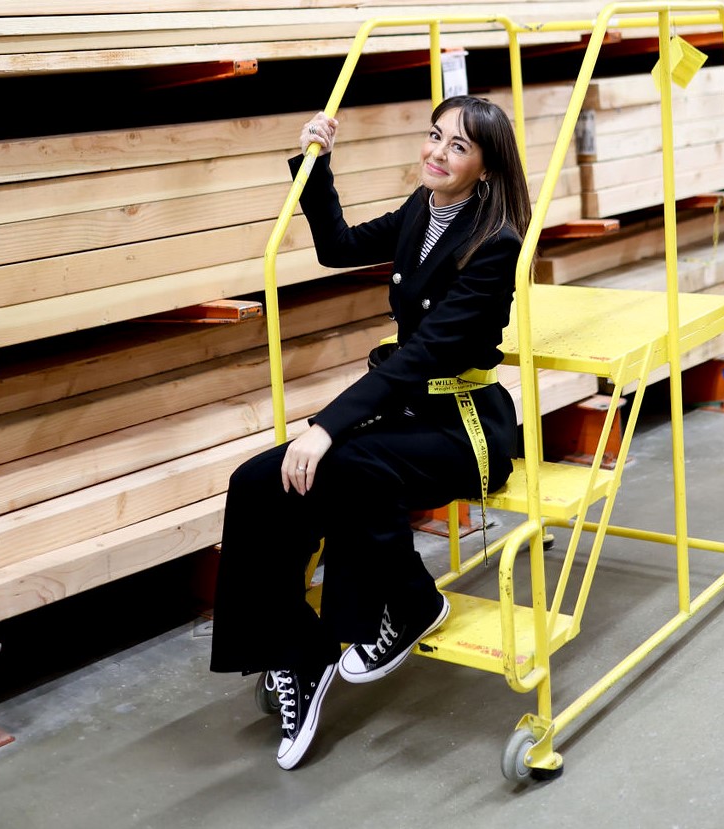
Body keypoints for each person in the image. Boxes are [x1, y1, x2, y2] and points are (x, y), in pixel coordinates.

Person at [209, 95, 531, 770]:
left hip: (463, 426)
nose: (436, 154)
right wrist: (315, 162)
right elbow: (338, 246)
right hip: (410, 413)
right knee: (257, 481)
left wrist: (326, 425)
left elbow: (423, 355)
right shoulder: (423, 209)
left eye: (457, 147)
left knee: (342, 465)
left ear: (487, 167)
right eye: (434, 136)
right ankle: (298, 655)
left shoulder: (494, 243)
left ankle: (413, 603)